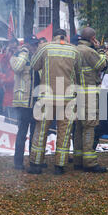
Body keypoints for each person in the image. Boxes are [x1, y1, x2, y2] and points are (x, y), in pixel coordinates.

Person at [74, 27, 108, 173]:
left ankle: (78, 160)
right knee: (89, 128)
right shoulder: (90, 51)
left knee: (78, 127)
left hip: (76, 93)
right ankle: (90, 162)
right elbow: (103, 65)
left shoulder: (75, 50)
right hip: (89, 94)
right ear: (92, 38)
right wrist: (100, 50)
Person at [28, 29, 82, 175]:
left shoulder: (45, 47)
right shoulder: (74, 50)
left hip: (47, 96)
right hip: (68, 98)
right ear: (66, 36)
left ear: (53, 37)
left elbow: (34, 65)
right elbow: (78, 72)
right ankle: (60, 165)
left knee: (41, 131)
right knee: (65, 132)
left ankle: (36, 164)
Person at [11, 36, 40, 170]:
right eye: (32, 45)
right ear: (27, 44)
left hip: (35, 102)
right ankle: (18, 162)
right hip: (23, 102)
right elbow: (17, 67)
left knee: (35, 133)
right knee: (22, 133)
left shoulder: (36, 57)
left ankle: (33, 161)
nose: (35, 47)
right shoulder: (21, 55)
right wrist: (24, 52)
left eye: (36, 45)